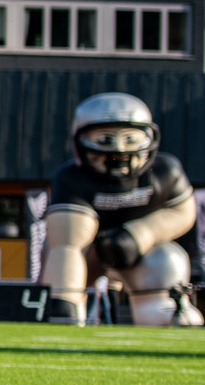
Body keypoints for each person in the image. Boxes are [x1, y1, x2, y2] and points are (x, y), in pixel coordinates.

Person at [42, 93, 202, 326]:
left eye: (129, 139)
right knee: (64, 254)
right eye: (106, 139)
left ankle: (165, 311)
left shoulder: (165, 171)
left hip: (145, 253)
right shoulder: (73, 179)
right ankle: (66, 306)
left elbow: (182, 213)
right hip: (89, 253)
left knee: (165, 258)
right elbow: (68, 242)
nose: (118, 150)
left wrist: (142, 233)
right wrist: (64, 298)